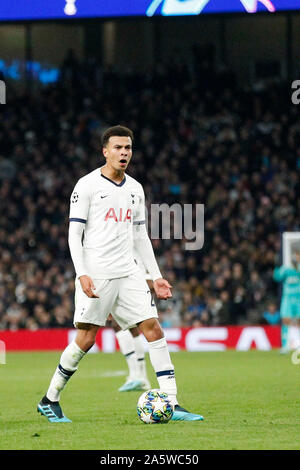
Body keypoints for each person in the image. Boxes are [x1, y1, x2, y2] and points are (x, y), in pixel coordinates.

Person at [37, 125, 204, 422]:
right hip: (97, 274)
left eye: (128, 148)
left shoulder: (135, 188)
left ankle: (172, 401)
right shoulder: (87, 186)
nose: (124, 153)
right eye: (118, 148)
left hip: (129, 272)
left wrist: (155, 276)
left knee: (153, 328)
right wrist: (82, 273)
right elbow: (74, 235)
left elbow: (140, 237)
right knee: (86, 338)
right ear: (105, 151)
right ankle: (50, 398)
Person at [110, 250, 152, 392]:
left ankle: (138, 376)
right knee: (125, 326)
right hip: (131, 279)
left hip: (133, 280)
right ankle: (139, 376)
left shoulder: (130, 232)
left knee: (128, 326)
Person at [273, 250, 300, 353]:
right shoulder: (286, 269)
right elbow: (277, 277)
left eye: (298, 256)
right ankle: (285, 345)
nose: (296, 258)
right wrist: (276, 266)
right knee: (286, 320)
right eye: (295, 256)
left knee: (298, 321)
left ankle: (298, 344)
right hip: (287, 298)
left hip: (299, 298)